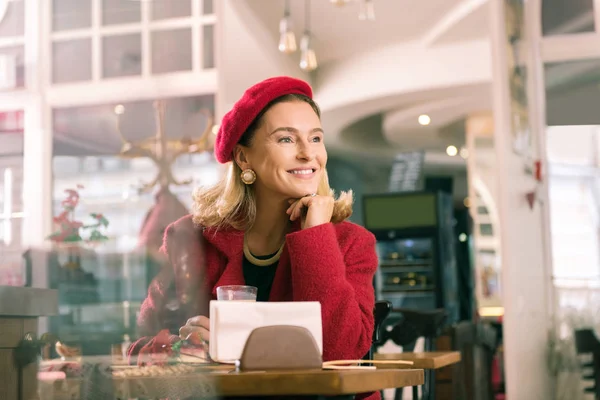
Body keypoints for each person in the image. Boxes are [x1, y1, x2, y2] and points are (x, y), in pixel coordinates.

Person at [130, 76, 379, 399]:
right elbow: (138, 348)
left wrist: (316, 233)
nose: (308, 153)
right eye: (287, 140)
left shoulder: (351, 242)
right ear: (244, 158)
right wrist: (184, 345)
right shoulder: (187, 239)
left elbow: (338, 354)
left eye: (315, 138)